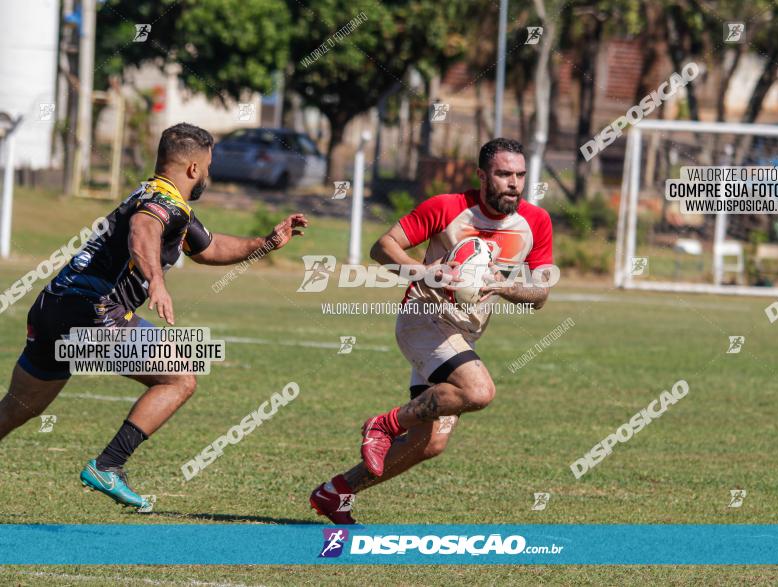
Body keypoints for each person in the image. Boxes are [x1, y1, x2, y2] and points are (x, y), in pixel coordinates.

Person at [0, 122, 308, 509]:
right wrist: (156, 282)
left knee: (18, 408)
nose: (208, 175)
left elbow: (209, 248)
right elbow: (142, 232)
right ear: (194, 169)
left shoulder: (154, 195)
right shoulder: (164, 205)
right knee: (180, 378)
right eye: (208, 167)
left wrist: (266, 243)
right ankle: (108, 465)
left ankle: (106, 464)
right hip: (94, 312)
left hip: (53, 307)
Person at [309, 138, 554, 523]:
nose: (514, 183)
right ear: (482, 175)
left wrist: (506, 286)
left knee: (429, 443)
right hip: (424, 318)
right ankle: (383, 424)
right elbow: (382, 247)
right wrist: (425, 271)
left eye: (520, 175)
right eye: (504, 174)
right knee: (478, 391)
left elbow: (540, 293)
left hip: (462, 335)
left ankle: (337, 491)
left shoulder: (535, 222)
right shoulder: (447, 207)